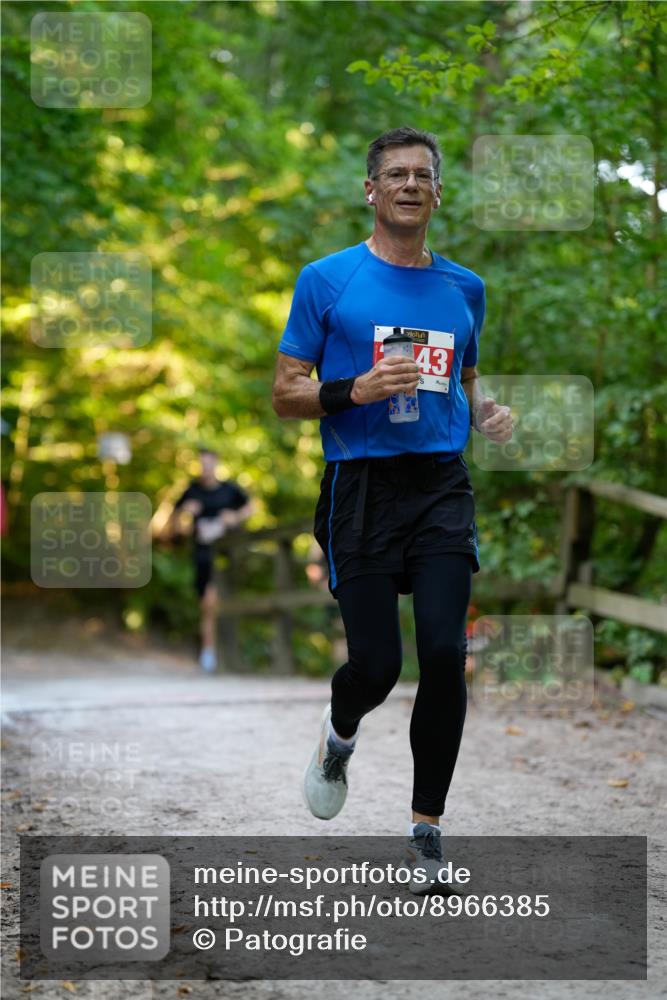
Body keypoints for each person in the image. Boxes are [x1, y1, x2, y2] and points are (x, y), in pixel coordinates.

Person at [272, 126, 513, 893]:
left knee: (445, 652)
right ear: (369, 190)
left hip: (440, 483)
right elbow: (284, 395)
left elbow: (467, 374)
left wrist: (486, 409)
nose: (409, 185)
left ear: (438, 193)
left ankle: (426, 830)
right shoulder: (326, 280)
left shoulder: (464, 288)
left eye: (423, 175)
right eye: (394, 174)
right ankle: (339, 734)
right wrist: (354, 391)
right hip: (360, 486)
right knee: (376, 665)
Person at [166, 446, 253, 672]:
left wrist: (233, 517)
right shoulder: (191, 490)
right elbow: (171, 525)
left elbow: (250, 507)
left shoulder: (230, 489)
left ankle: (227, 652)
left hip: (229, 555)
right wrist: (185, 513)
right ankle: (209, 653)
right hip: (203, 553)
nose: (205, 467)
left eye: (208, 463)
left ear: (216, 463)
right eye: (201, 463)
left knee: (224, 600)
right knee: (207, 603)